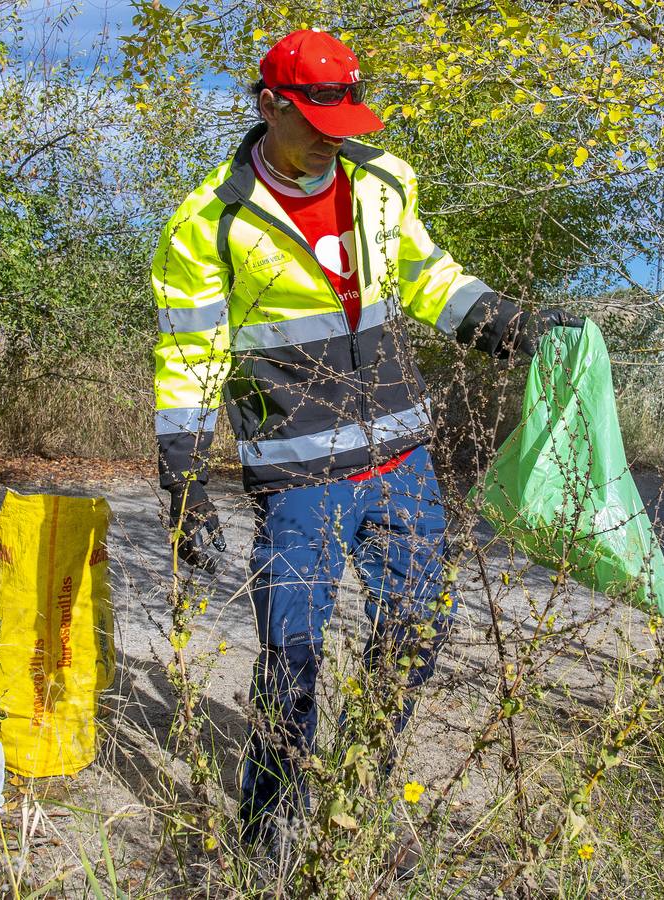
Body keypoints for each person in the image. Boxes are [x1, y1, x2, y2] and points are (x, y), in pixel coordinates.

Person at [150, 28, 581, 846]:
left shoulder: (384, 184)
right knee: (294, 654)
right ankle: (269, 829)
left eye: (347, 119)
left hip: (401, 461)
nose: (336, 138)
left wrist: (505, 323)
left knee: (419, 632)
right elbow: (188, 355)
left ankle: (358, 789)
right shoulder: (211, 223)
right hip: (299, 480)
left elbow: (427, 277)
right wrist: (184, 478)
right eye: (317, 119)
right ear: (269, 105)